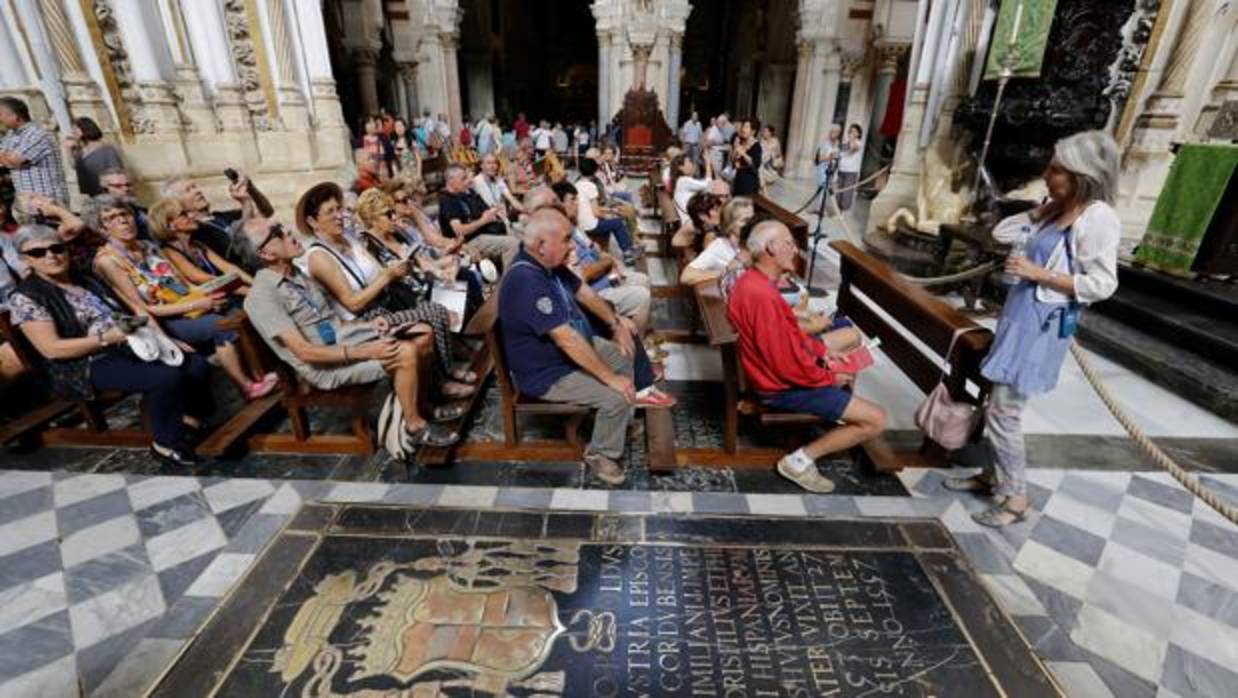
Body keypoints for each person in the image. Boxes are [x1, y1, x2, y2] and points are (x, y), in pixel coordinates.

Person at [947, 130, 1122, 527]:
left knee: (1005, 412)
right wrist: (1037, 213)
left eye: (1057, 170)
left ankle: (1016, 499)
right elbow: (1000, 234)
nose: (1047, 175)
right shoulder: (1057, 209)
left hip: (1041, 327)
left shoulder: (1097, 218)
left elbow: (1103, 285)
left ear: (1082, 174)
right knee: (996, 403)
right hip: (1017, 318)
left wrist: (1037, 273)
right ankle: (993, 476)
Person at [237, 217, 460, 447]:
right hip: (324, 367)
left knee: (423, 331)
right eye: (277, 232)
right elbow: (306, 353)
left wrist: (371, 327)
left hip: (340, 341)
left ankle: (423, 405)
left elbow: (334, 326)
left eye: (281, 225)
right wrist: (366, 350)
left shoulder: (295, 274)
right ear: (266, 254)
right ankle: (414, 426)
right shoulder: (261, 297)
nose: (288, 231)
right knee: (404, 352)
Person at [8, 224, 215, 465]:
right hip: (83, 364)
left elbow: (131, 308)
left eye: (56, 248)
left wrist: (165, 339)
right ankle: (166, 443)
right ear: (25, 259)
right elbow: (51, 349)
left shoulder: (85, 277)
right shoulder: (27, 296)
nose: (51, 256)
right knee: (165, 377)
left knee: (195, 364)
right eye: (38, 253)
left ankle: (188, 418)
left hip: (130, 343)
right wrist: (106, 339)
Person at [728, 221, 888, 492]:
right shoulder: (763, 295)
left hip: (774, 373)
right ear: (770, 248)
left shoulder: (753, 282)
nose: (796, 249)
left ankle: (836, 407)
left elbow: (790, 337)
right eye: (789, 243)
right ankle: (799, 461)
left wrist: (823, 352)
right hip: (779, 387)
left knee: (845, 344)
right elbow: (785, 365)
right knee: (876, 419)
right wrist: (828, 376)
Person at [498, 210, 646, 485]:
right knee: (615, 395)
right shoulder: (526, 280)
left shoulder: (549, 265)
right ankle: (601, 454)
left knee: (623, 351)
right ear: (541, 245)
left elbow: (584, 293)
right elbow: (566, 339)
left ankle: (617, 424)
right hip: (547, 373)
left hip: (566, 355)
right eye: (567, 239)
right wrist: (610, 379)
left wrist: (615, 325)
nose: (573, 245)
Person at [90, 194, 276, 400]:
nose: (123, 220)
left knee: (239, 307)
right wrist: (196, 305)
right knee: (221, 324)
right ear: (102, 229)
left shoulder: (147, 246)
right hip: (162, 321)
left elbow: (179, 284)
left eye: (125, 214)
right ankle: (247, 386)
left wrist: (204, 297)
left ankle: (263, 371)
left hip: (185, 306)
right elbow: (143, 308)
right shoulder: (107, 261)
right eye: (111, 218)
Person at [355, 188, 478, 397]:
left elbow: (422, 262)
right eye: (387, 214)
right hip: (400, 298)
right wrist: (398, 271)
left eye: (393, 212)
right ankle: (445, 373)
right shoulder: (368, 245)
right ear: (373, 218)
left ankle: (453, 355)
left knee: (459, 278)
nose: (394, 217)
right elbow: (379, 280)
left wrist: (440, 272)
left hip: (418, 286)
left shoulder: (395, 234)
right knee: (437, 306)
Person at [547, 182, 653, 335]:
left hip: (604, 278)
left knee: (642, 279)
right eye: (572, 200)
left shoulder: (574, 228)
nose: (577, 204)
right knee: (641, 296)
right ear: (559, 204)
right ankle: (639, 347)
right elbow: (582, 275)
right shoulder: (560, 236)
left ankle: (637, 328)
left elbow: (595, 248)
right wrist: (607, 263)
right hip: (594, 292)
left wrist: (611, 261)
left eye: (577, 199)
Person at [148, 196, 254, 293]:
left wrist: (254, 284)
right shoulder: (168, 251)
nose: (191, 216)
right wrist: (246, 289)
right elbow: (197, 277)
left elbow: (228, 267)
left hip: (224, 289)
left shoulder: (197, 245)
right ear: (170, 225)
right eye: (183, 214)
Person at [161, 173, 258, 268]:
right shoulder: (195, 231)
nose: (197, 191)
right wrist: (246, 203)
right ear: (177, 203)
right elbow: (238, 248)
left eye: (194, 187)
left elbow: (266, 212)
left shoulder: (221, 215)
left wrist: (250, 191)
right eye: (188, 190)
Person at [438, 165, 519, 268]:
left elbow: (476, 215)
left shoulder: (459, 195)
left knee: (519, 235)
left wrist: (490, 214)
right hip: (468, 242)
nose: (467, 181)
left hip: (480, 234)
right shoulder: (448, 201)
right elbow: (460, 231)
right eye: (463, 178)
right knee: (512, 244)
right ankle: (509, 282)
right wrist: (484, 220)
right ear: (451, 181)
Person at [0, 97, 70, 204]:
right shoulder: (11, 135)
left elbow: (13, 161)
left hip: (48, 201)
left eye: (0, 115)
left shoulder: (37, 135)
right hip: (28, 203)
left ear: (16, 116)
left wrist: (6, 157)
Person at [574, 158, 639, 264]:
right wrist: (609, 215)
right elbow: (596, 213)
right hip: (590, 225)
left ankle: (629, 249)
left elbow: (589, 208)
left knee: (615, 219)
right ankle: (628, 253)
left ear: (579, 170)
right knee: (618, 223)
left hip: (580, 223)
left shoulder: (576, 185)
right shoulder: (591, 186)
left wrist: (610, 210)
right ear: (595, 171)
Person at [680, 197, 754, 287]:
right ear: (729, 224)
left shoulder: (755, 241)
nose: (751, 224)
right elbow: (686, 276)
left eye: (752, 219)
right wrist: (726, 271)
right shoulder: (720, 246)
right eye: (745, 220)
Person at [63, 117, 124, 197]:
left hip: (108, 194)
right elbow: (74, 165)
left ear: (85, 129)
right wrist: (69, 150)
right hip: (92, 194)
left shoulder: (107, 149)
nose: (73, 132)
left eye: (75, 129)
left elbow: (117, 172)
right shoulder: (81, 150)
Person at [99, 168, 151, 239]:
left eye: (128, 185)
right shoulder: (100, 215)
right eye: (118, 186)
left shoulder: (144, 212)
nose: (126, 189)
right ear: (105, 190)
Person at [472, 153, 524, 219]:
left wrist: (526, 210)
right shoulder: (475, 182)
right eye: (488, 163)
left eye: (495, 163)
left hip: (503, 219)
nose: (492, 166)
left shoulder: (499, 181)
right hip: (489, 221)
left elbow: (511, 199)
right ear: (481, 166)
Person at [671, 153, 714, 217]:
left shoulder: (681, 180)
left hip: (691, 216)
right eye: (688, 162)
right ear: (680, 167)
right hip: (690, 219)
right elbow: (709, 185)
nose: (692, 164)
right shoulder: (684, 181)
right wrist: (708, 163)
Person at [730, 119, 763, 197]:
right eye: (743, 127)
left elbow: (755, 164)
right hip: (738, 179)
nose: (743, 129)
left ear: (753, 131)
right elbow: (733, 162)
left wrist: (743, 154)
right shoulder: (741, 142)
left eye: (746, 127)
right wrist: (735, 149)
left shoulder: (756, 146)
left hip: (749, 183)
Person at [836, 123, 863, 211]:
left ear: (858, 134)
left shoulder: (859, 143)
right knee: (839, 192)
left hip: (851, 172)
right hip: (841, 170)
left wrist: (851, 141)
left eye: (854, 131)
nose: (852, 133)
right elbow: (839, 153)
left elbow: (852, 149)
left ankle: (843, 212)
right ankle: (838, 211)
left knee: (847, 193)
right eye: (850, 131)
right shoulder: (845, 143)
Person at [814, 124, 843, 189]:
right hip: (823, 171)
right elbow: (819, 159)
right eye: (834, 131)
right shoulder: (825, 143)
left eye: (838, 132)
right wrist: (832, 157)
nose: (835, 133)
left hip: (832, 171)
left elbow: (837, 157)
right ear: (830, 132)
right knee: (823, 192)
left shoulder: (837, 143)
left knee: (828, 193)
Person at [758, 125, 783, 189]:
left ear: (770, 133)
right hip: (762, 161)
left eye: (766, 131)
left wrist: (777, 162)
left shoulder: (775, 141)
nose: (764, 132)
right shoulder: (761, 141)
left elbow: (778, 154)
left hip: (771, 164)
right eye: (763, 131)